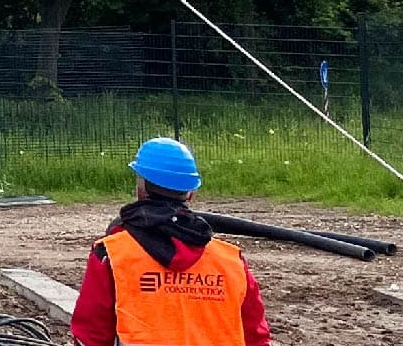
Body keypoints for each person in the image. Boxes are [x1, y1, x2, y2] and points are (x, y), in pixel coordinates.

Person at [69, 138, 269, 346]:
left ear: (141, 188)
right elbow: (256, 337)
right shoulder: (231, 262)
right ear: (190, 193)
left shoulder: (111, 255)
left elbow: (90, 335)